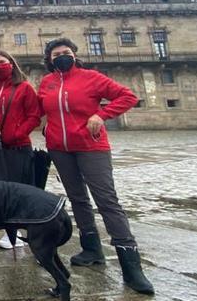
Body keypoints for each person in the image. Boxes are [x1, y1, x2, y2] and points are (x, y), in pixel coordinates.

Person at [38, 38, 153, 295]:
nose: (61, 56)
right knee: (78, 198)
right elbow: (39, 108)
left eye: (66, 52)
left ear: (75, 55)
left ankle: (131, 266)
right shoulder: (47, 82)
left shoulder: (91, 78)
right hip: (59, 148)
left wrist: (101, 115)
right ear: (49, 59)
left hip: (92, 147)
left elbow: (128, 96)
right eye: (56, 54)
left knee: (107, 201)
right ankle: (91, 248)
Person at [0, 50, 42, 249]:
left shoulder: (25, 87)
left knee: (24, 190)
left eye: (2, 62)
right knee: (2, 190)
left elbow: (34, 116)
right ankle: (11, 232)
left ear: (11, 64)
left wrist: (18, 134)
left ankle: (37, 234)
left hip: (20, 146)